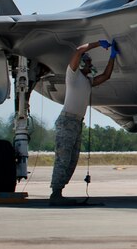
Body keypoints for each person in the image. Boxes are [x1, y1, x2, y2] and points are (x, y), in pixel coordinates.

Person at [49, 39, 117, 206]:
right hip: (67, 121)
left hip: (77, 123)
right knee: (63, 159)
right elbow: (78, 51)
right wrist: (97, 44)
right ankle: (55, 193)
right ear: (80, 64)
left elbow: (106, 76)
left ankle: (59, 192)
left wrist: (113, 57)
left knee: (72, 160)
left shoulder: (87, 81)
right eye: (88, 62)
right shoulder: (73, 75)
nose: (90, 65)